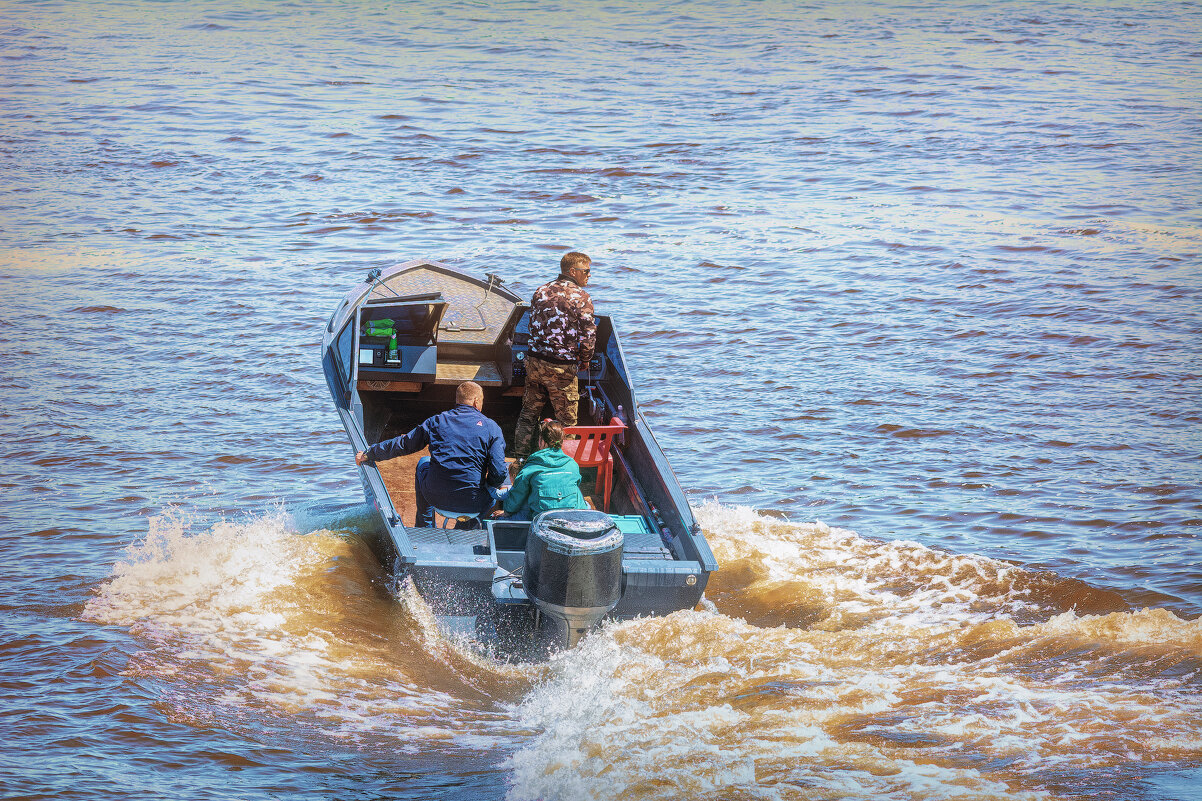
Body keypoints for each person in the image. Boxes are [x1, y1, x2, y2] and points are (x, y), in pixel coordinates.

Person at [355, 381, 506, 527]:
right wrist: (489, 484)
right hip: (474, 501)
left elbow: (405, 444)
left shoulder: (437, 421)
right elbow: (499, 472)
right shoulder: (492, 428)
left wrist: (370, 453)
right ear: (476, 401)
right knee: (492, 495)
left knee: (423, 462)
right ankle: (465, 527)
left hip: (435, 497)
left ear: (458, 400)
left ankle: (425, 526)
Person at [514, 251, 596, 459]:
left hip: (535, 362)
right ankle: (563, 465)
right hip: (562, 369)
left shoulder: (540, 291)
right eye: (586, 271)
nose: (589, 275)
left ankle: (521, 459)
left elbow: (532, 326)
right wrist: (585, 360)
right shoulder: (582, 297)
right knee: (567, 423)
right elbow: (588, 335)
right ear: (572, 271)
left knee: (528, 415)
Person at [498, 419, 586, 520]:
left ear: (542, 441)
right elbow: (576, 482)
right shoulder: (572, 464)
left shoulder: (530, 468)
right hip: (573, 519)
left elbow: (518, 494)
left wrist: (507, 511)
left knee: (502, 518)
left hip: (544, 521)